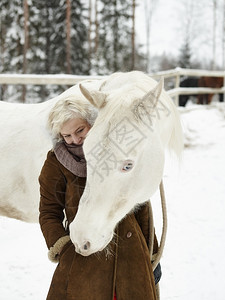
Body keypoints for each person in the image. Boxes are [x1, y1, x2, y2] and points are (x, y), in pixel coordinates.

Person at [39, 94, 161, 300]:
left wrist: (152, 253)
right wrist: (63, 246)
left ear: (92, 124)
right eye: (67, 136)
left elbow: (140, 203)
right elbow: (48, 211)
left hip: (131, 256)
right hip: (83, 257)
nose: (75, 140)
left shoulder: (118, 154)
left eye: (80, 130)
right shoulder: (55, 163)